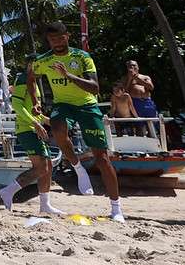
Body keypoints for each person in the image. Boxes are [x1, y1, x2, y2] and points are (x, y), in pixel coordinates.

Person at [27, 22, 125, 222]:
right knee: (56, 127)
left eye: (59, 38)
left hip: (87, 105)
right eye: (52, 39)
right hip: (62, 104)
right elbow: (31, 77)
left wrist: (68, 75)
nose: (56, 42)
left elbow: (95, 88)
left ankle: (116, 208)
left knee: (102, 158)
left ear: (67, 36)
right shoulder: (43, 60)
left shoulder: (81, 57)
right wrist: (36, 102)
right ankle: (78, 167)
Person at [0, 70, 64, 215]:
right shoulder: (23, 79)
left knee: (47, 166)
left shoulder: (34, 82)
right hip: (26, 130)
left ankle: (45, 205)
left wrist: (51, 122)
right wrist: (36, 123)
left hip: (33, 128)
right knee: (41, 167)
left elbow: (34, 112)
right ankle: (8, 191)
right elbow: (17, 105)